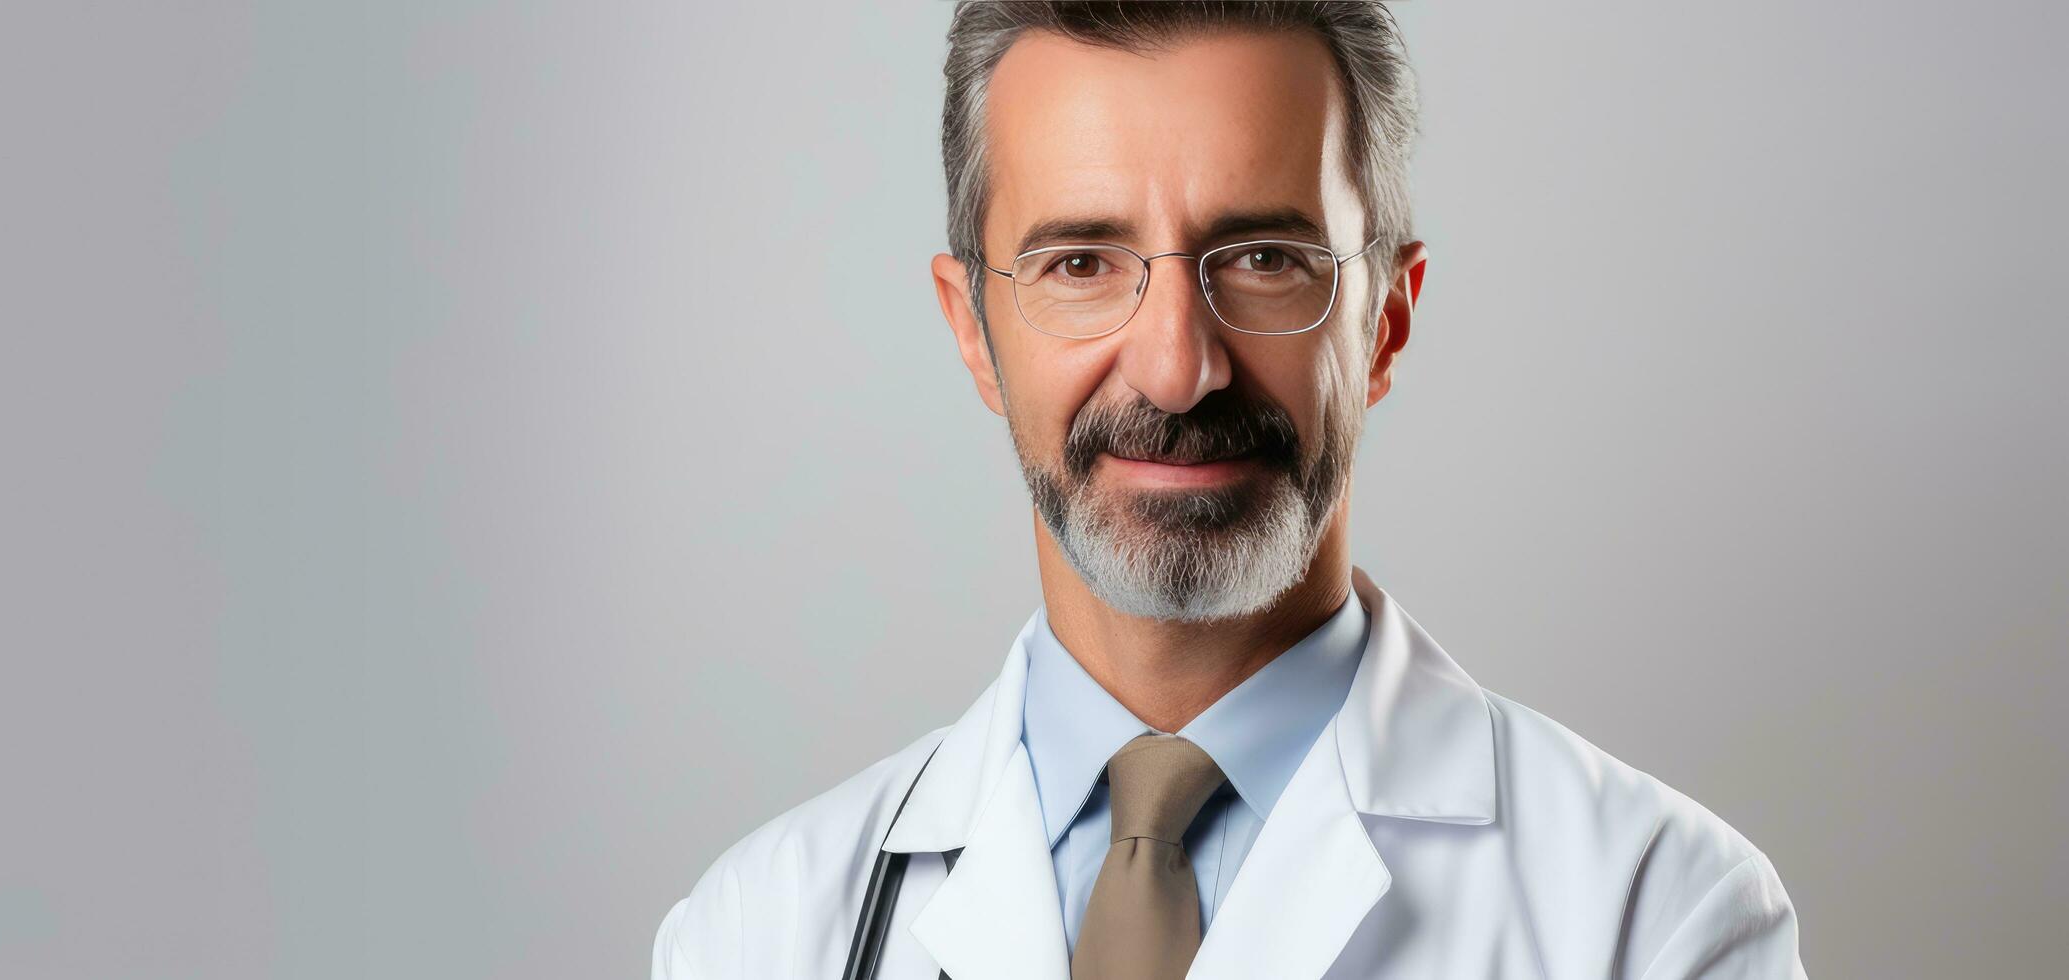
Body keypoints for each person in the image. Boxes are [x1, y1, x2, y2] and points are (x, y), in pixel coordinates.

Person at [652, 3, 1806, 977]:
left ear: (1385, 320)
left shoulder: (1654, 918)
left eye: (1263, 258)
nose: (1175, 363)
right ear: (972, 331)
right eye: (1080, 263)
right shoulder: (755, 933)